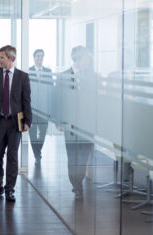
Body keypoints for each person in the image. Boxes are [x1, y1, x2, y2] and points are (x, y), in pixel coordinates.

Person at [0, 45, 32, 202]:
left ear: (11, 58)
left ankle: (10, 189)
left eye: (2, 57)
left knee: (12, 156)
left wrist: (28, 121)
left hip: (14, 122)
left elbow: (26, 101)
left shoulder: (22, 77)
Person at [58, 45, 94, 199]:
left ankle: (78, 182)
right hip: (70, 124)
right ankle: (77, 185)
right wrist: (59, 122)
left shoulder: (91, 76)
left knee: (84, 155)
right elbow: (57, 100)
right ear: (79, 58)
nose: (88, 61)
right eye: (86, 58)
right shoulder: (63, 76)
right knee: (72, 155)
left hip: (88, 124)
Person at [28, 49, 52, 163]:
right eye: (37, 56)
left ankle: (38, 151)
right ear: (34, 58)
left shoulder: (48, 71)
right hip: (32, 109)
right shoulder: (28, 71)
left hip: (44, 109)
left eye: (41, 56)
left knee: (43, 133)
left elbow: (51, 90)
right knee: (32, 134)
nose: (39, 58)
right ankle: (37, 154)